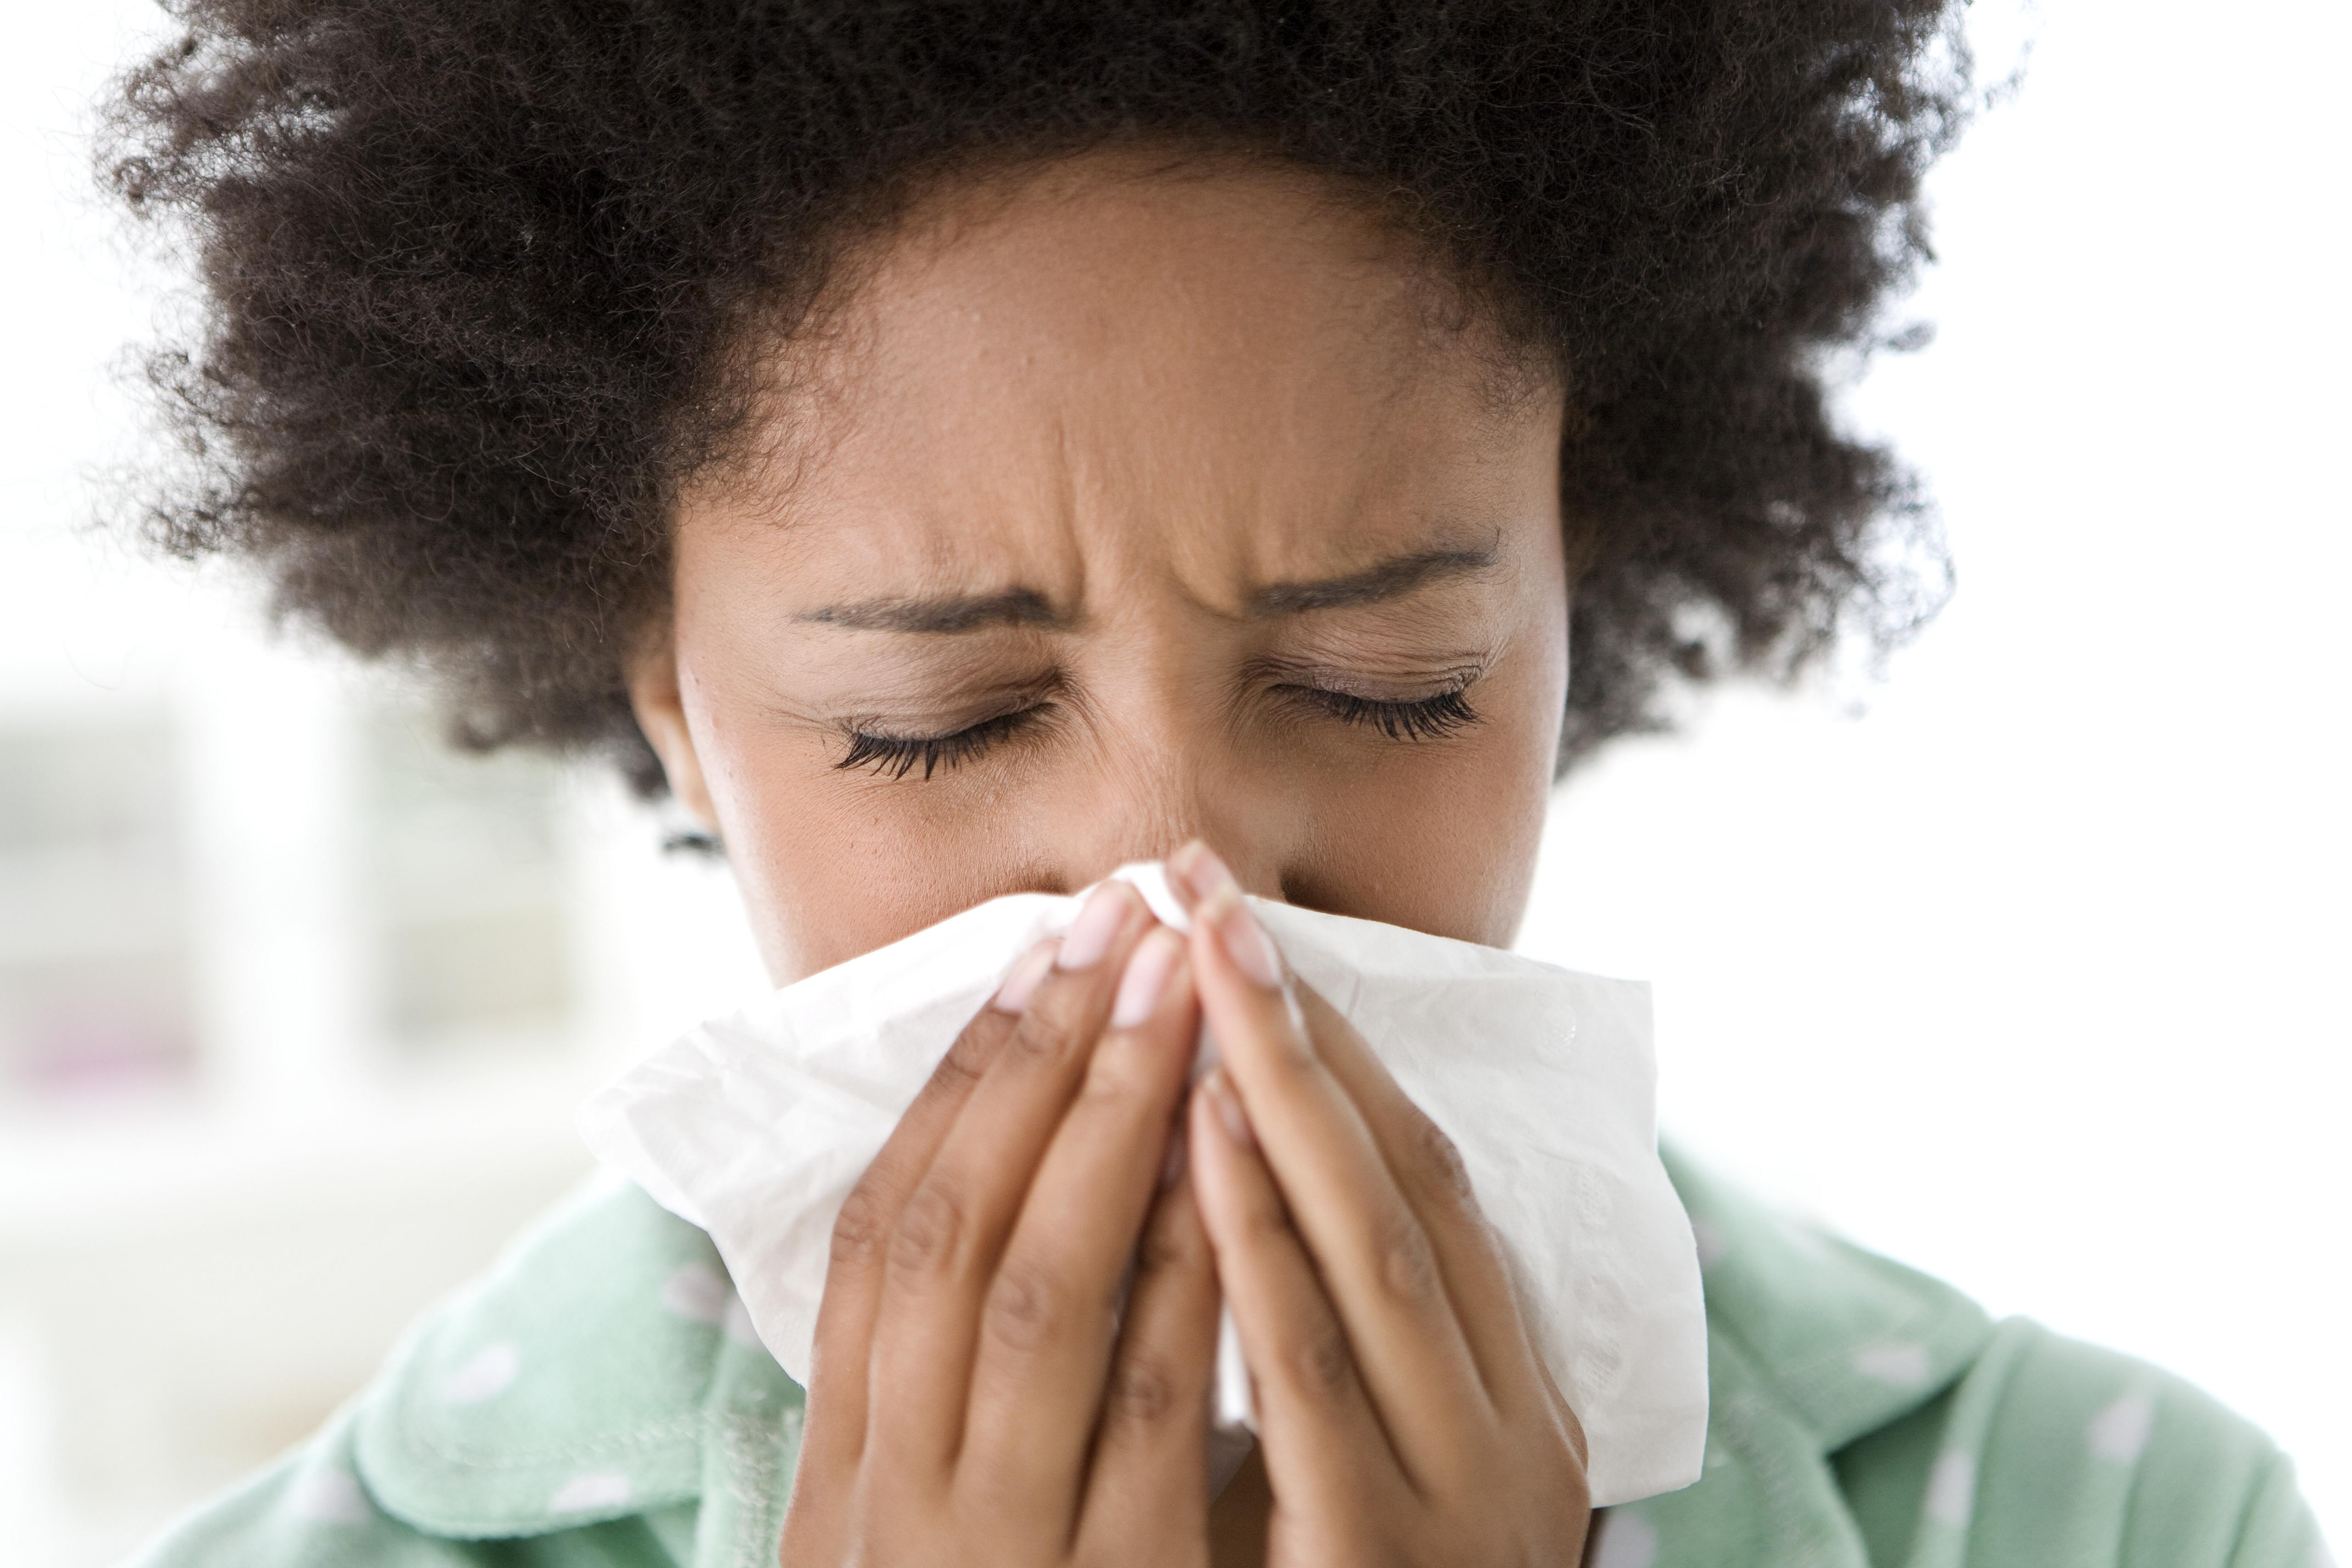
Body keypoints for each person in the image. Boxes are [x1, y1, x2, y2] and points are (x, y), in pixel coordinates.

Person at [105, 3, 2323, 1565]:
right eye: (942, 718)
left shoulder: (2117, 1515)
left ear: (1572, 612)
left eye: (1384, 681)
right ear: (677, 708)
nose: (1184, 890)